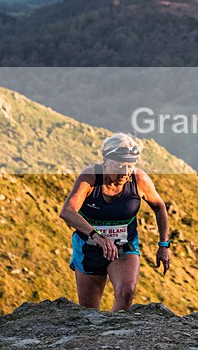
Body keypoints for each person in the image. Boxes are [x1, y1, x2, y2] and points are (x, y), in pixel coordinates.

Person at [59, 133, 170, 311]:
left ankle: (114, 334)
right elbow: (67, 211)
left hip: (124, 246)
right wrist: (99, 237)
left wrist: (163, 245)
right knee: (89, 312)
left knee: (126, 293)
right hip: (89, 248)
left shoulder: (139, 179)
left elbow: (159, 207)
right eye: (119, 166)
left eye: (130, 166)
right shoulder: (89, 178)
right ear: (105, 161)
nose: (125, 172)